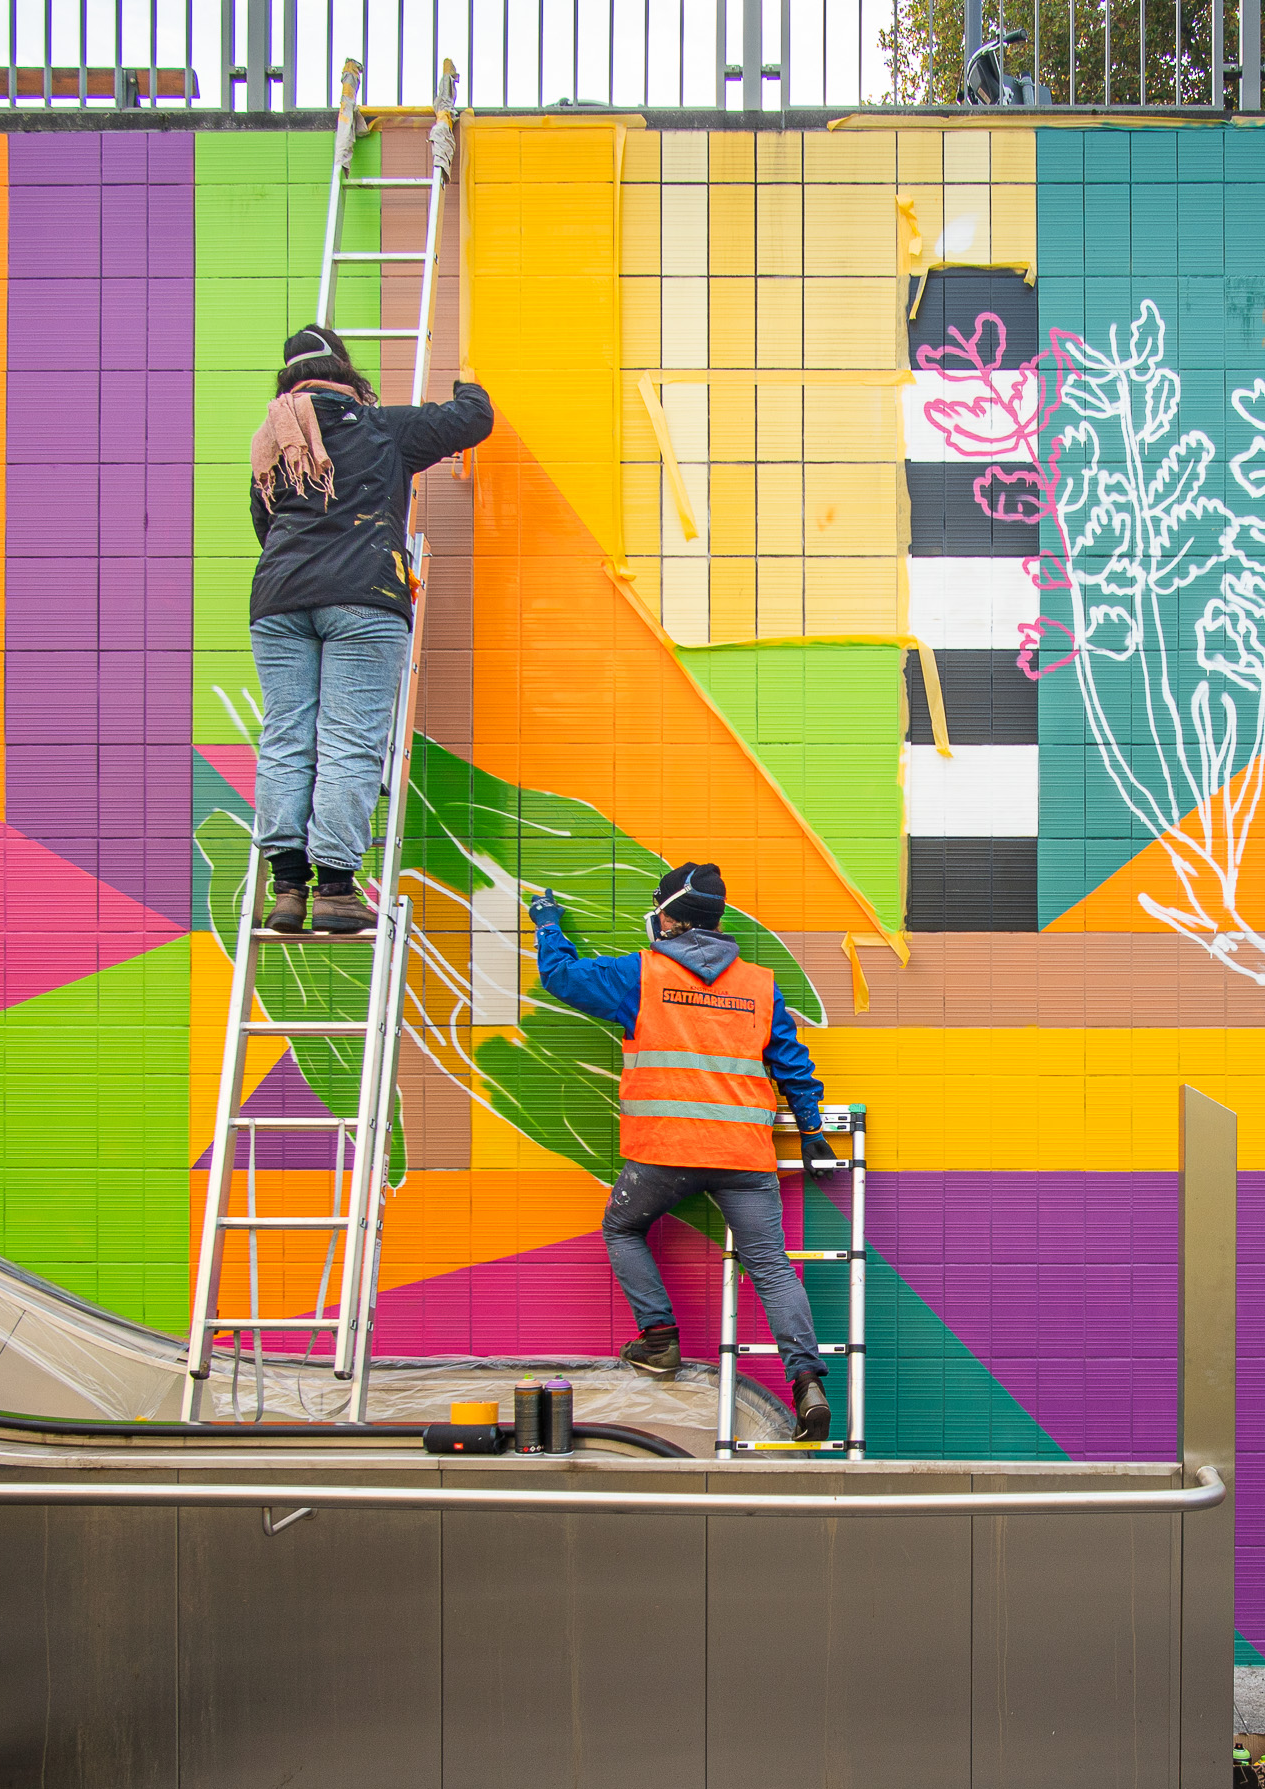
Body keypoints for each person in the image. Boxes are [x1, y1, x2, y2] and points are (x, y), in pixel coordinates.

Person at [527, 863, 839, 1442]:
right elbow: (791, 1062)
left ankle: (659, 1340)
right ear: (716, 921)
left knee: (622, 1228)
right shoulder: (759, 984)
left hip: (665, 1152)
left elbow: (562, 978)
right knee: (770, 1268)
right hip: (744, 1156)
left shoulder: (639, 974)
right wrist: (813, 1128)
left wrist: (549, 924)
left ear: (667, 917)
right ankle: (808, 1384)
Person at [248, 327, 493, 934]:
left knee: (286, 739)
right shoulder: (378, 426)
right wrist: (470, 372)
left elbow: (265, 522)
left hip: (279, 601)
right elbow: (472, 417)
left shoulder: (271, 441)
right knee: (348, 741)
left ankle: (286, 889)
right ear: (345, 373)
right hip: (364, 597)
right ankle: (334, 887)